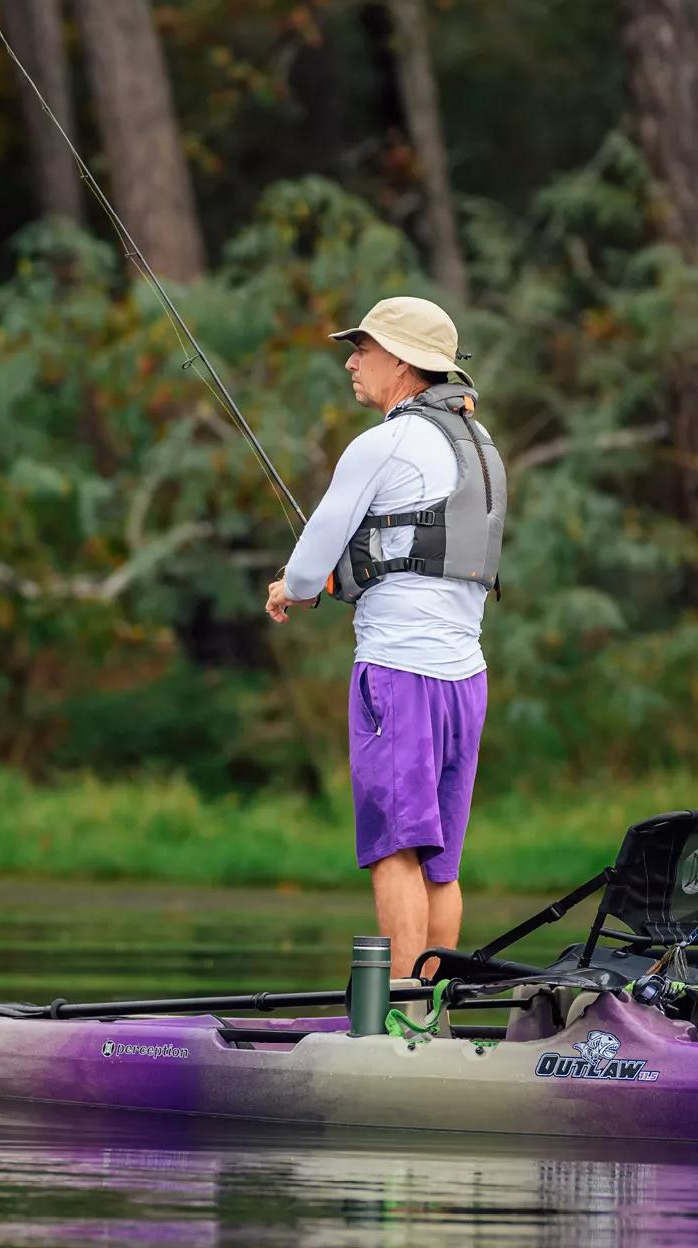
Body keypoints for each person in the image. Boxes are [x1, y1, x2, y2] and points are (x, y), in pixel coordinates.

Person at [265, 295, 507, 994]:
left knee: (396, 847)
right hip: (468, 679)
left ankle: (400, 1012)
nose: (352, 361)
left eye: (363, 349)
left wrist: (292, 589)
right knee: (442, 861)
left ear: (401, 362)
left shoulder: (384, 442)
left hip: (397, 674)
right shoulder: (481, 445)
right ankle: (432, 1013)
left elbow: (311, 567)